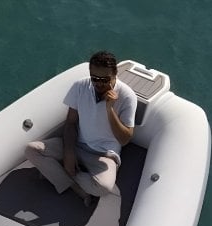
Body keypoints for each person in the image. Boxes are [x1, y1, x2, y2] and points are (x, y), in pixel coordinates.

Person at [25, 51, 137, 202]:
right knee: (31, 150)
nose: (99, 83)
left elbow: (124, 139)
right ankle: (75, 187)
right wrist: (69, 153)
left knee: (103, 187)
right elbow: (71, 123)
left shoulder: (127, 96)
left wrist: (109, 109)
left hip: (104, 154)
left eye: (105, 79)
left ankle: (59, 173)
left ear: (115, 74)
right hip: (77, 144)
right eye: (94, 78)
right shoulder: (80, 86)